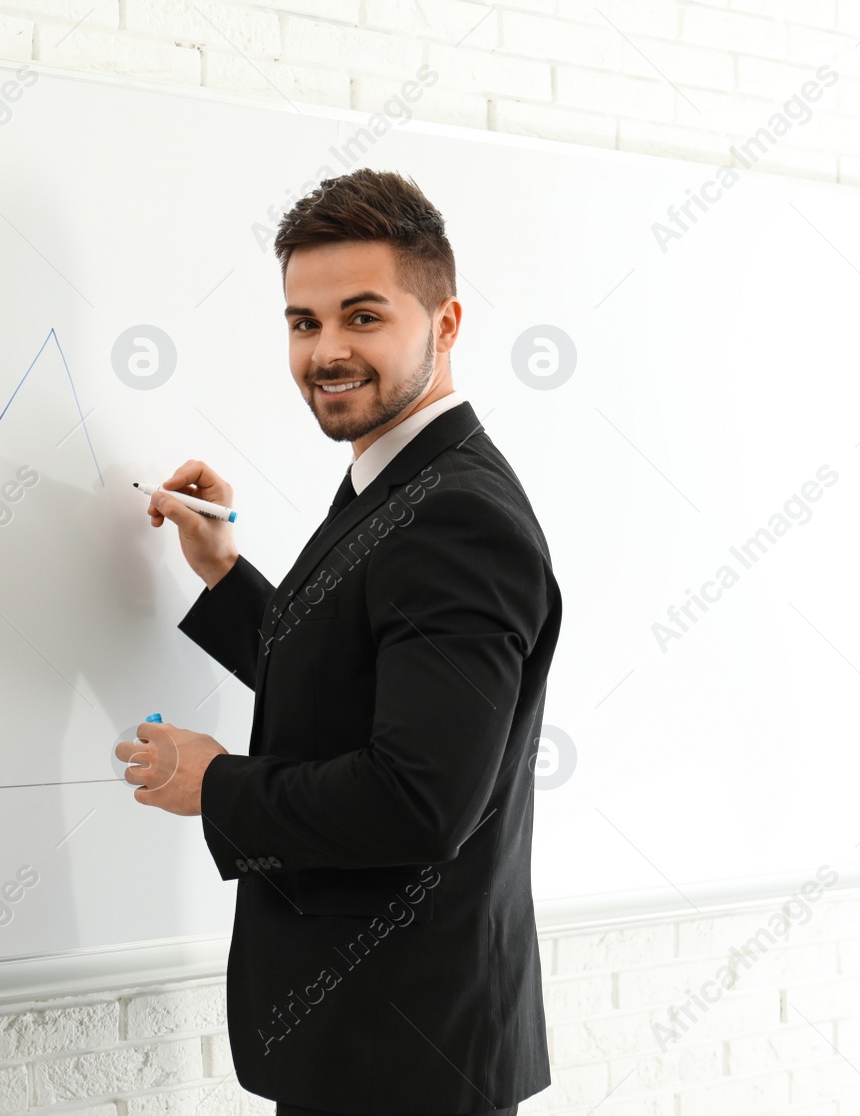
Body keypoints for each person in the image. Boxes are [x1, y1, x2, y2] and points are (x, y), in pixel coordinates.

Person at [117, 167, 562, 1115]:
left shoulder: (455, 517)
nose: (326, 351)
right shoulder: (397, 483)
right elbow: (363, 680)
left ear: (444, 326)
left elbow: (419, 801)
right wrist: (226, 576)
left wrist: (218, 787)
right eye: (303, 322)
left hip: (406, 1059)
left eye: (363, 317)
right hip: (373, 1047)